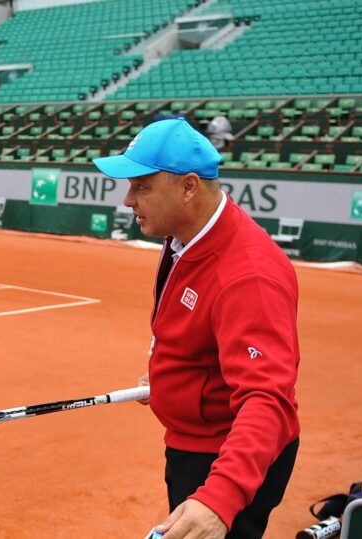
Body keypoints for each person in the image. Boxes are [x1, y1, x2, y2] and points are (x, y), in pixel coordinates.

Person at [93, 118, 300, 539]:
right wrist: (170, 378)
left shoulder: (248, 276)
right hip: (195, 441)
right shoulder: (185, 235)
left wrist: (218, 498)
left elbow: (268, 399)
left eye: (142, 187)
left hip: (225, 457)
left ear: (189, 187)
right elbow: (194, 333)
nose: (128, 199)